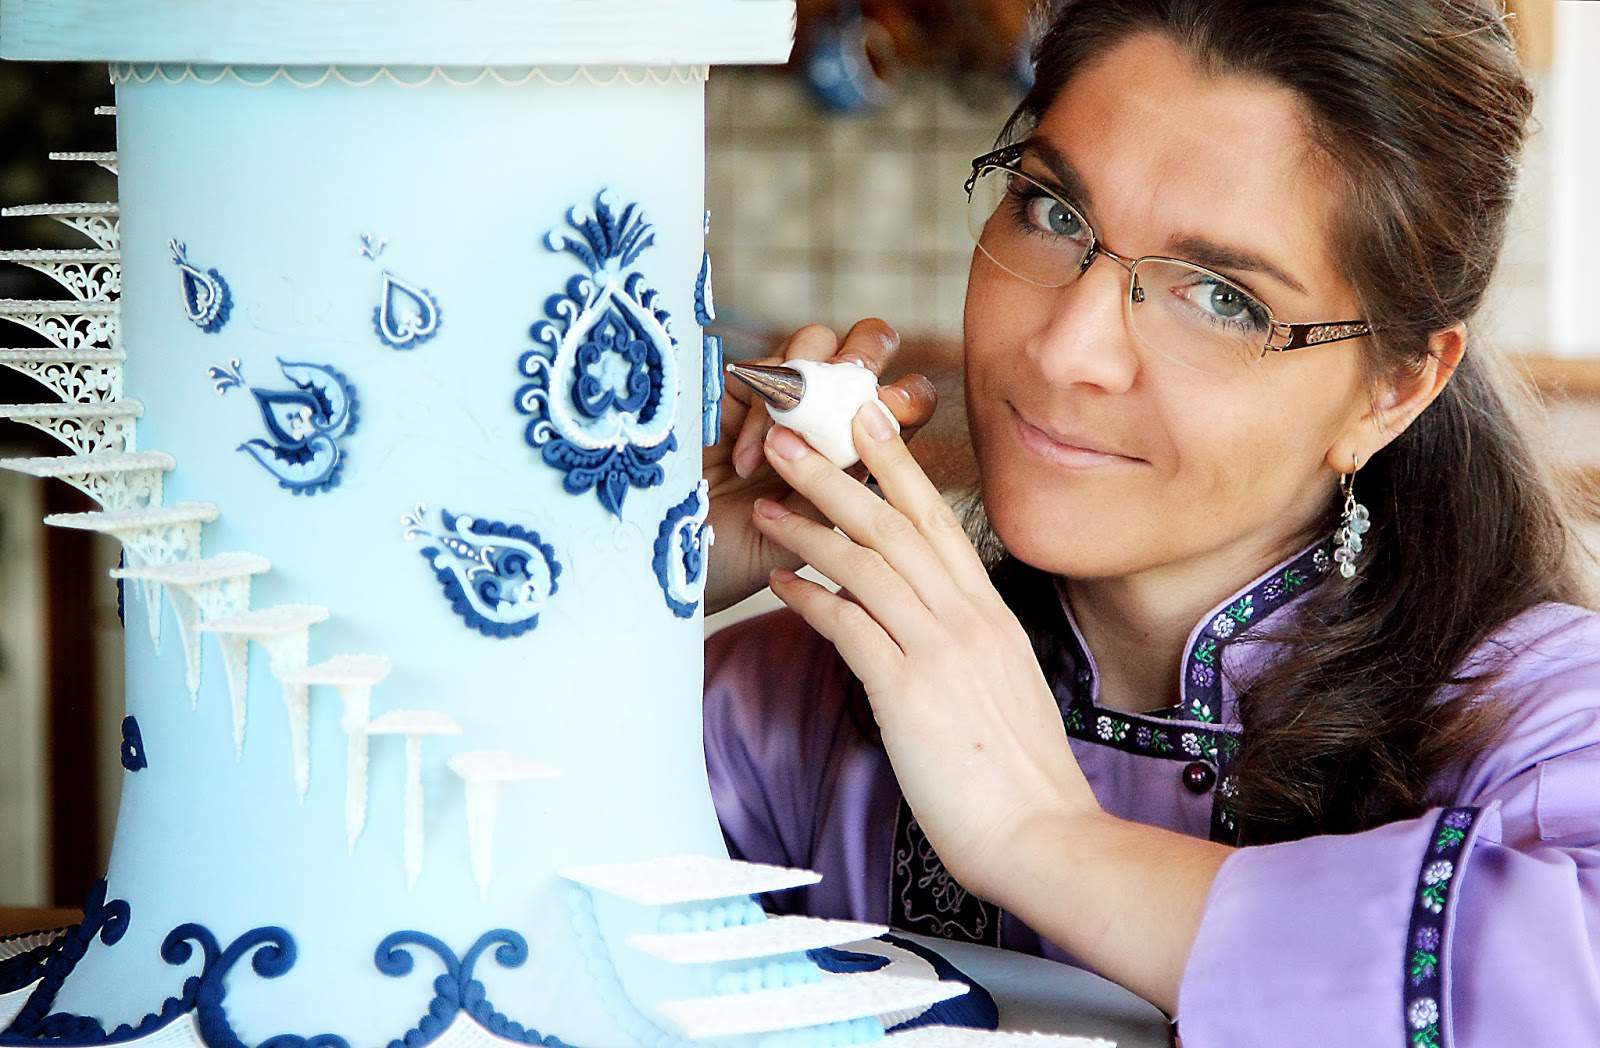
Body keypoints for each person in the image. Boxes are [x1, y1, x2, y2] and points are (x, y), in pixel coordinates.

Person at [700, 1, 1600, 1045]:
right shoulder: (804, 704)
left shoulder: (1544, 729)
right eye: (1053, 214)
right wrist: (635, 568)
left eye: (1220, 297)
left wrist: (1044, 838)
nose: (1066, 349)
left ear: (1393, 391)